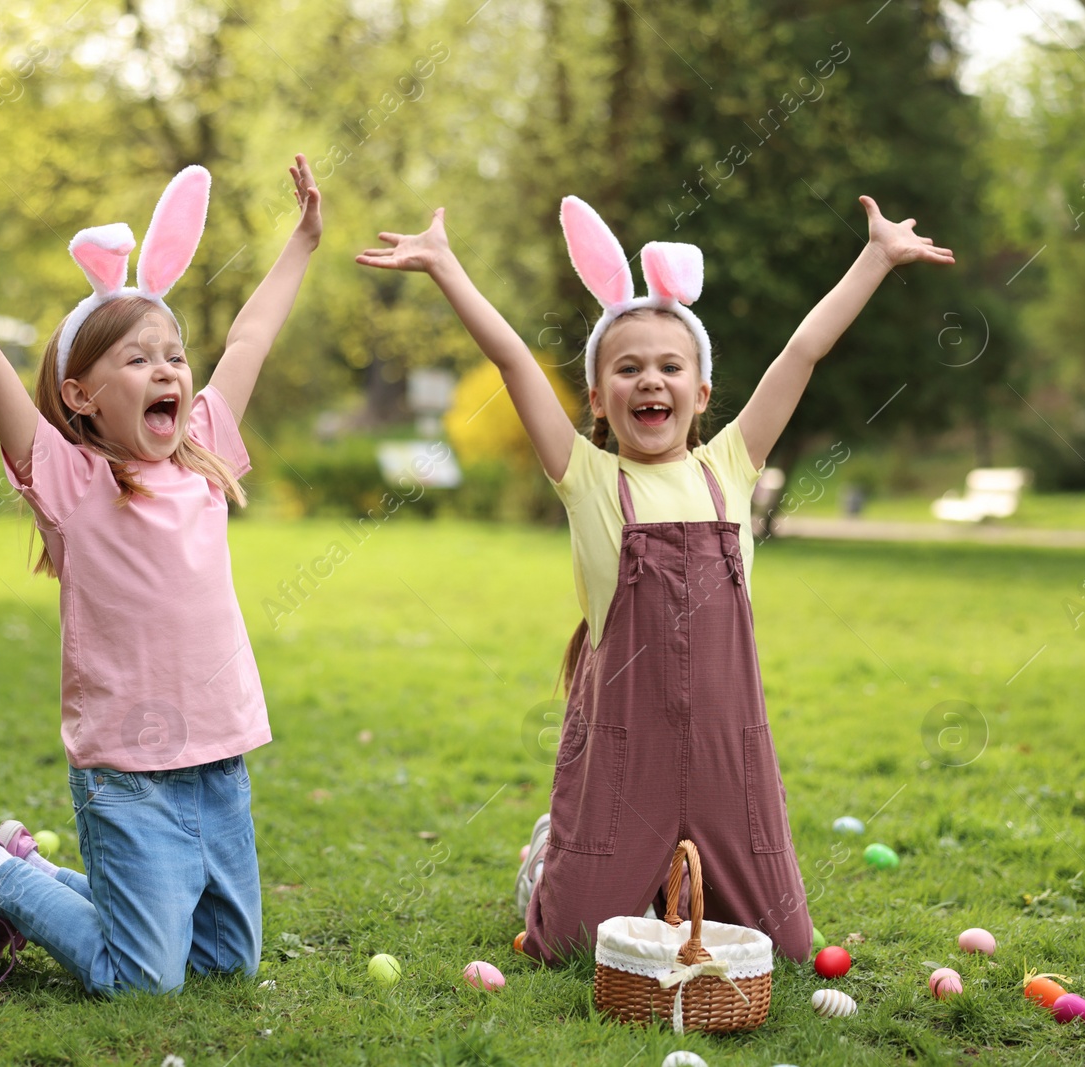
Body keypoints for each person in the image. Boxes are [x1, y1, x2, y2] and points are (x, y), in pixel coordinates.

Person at [358, 194, 952, 962]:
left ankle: (669, 882)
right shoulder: (588, 478)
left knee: (789, 945)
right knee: (567, 944)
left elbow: (801, 352)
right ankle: (551, 857)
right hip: (621, 755)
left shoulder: (730, 466)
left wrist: (875, 257)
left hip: (727, 755)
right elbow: (511, 357)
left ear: (700, 395)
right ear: (599, 400)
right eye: (627, 367)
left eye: (671, 367)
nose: (651, 381)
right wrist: (445, 267)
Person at [0, 152, 322, 993]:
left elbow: (252, 336)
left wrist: (301, 241)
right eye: (139, 359)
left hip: (219, 764)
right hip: (126, 774)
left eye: (175, 356)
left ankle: (23, 872)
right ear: (81, 395)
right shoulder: (70, 482)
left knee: (225, 964)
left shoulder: (204, 456)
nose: (169, 371)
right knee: (143, 979)